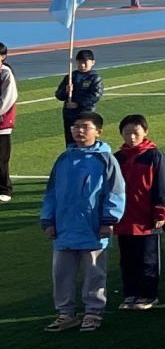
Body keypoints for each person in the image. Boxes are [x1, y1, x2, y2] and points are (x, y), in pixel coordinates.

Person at [40, 111, 123, 331]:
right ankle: (66, 313)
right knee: (61, 274)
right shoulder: (64, 158)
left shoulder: (105, 159)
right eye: (76, 126)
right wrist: (48, 220)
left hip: (93, 228)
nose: (79, 130)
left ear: (98, 131)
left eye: (85, 126)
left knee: (94, 273)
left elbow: (115, 192)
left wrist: (108, 220)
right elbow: (51, 192)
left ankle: (93, 312)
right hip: (65, 228)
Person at [108, 113, 165, 311]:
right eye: (127, 133)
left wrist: (161, 212)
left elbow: (164, 185)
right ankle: (130, 293)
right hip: (125, 218)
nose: (132, 137)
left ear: (145, 132)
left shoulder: (153, 156)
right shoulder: (117, 158)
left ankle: (148, 295)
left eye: (136, 133)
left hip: (147, 219)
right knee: (127, 259)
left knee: (148, 259)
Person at [55, 47, 101, 144]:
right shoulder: (71, 77)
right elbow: (59, 95)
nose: (82, 65)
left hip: (86, 113)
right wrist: (66, 91)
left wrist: (78, 104)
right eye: (80, 62)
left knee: (85, 139)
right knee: (71, 140)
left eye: (85, 62)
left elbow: (95, 96)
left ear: (92, 62)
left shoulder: (94, 78)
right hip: (69, 115)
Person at [0, 38, 18, 202]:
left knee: (1, 158)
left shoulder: (6, 73)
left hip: (2, 124)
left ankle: (5, 188)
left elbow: (8, 98)